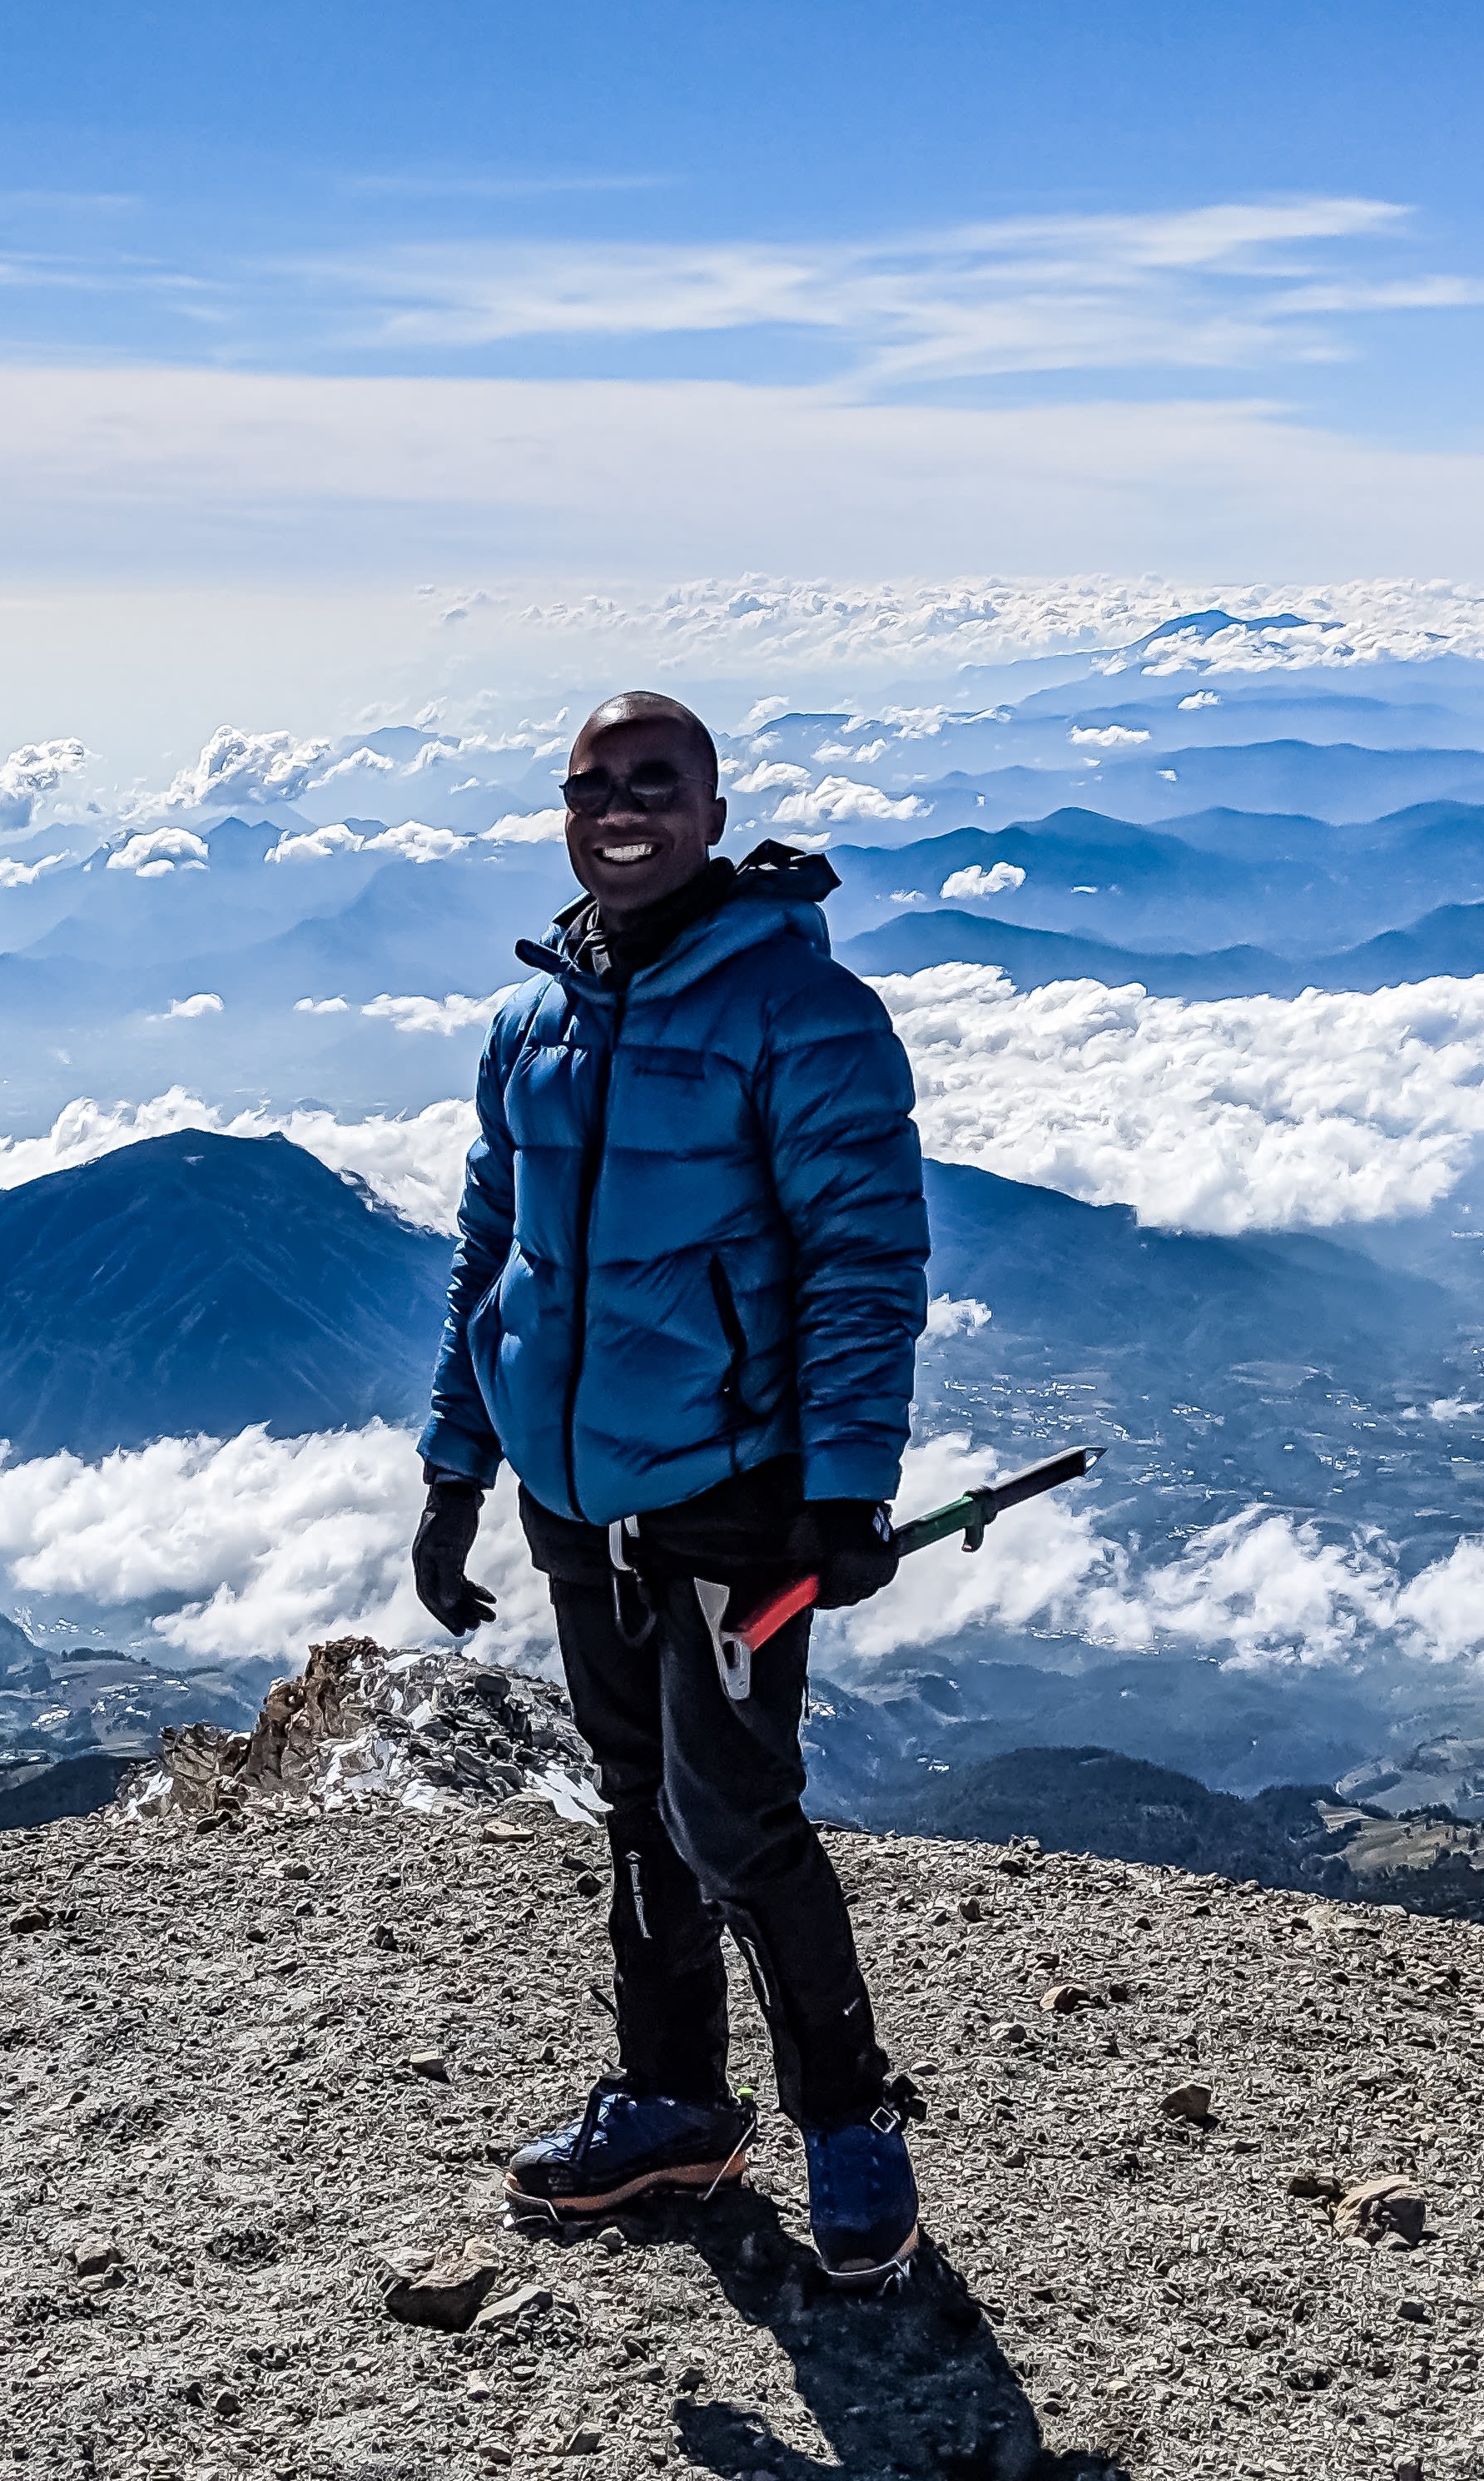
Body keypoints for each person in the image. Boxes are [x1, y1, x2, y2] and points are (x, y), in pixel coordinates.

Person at [411, 688, 933, 2284]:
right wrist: (456, 1469)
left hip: (727, 1491)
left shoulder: (797, 1010)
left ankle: (848, 2124)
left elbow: (865, 1259)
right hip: (577, 1495)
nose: (618, 808)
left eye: (653, 783)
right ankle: (672, 2103)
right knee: (637, 1807)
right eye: (590, 787)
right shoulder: (534, 1023)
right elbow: (489, 1258)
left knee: (736, 1818)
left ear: (711, 812)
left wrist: (841, 1490)